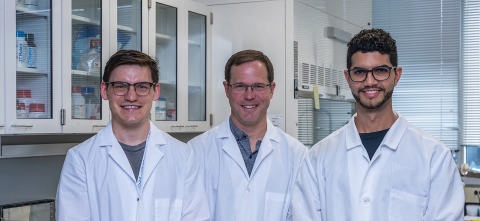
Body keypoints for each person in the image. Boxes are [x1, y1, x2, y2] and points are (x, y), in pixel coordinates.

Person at [291, 29, 464, 221]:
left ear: (396, 76)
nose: (370, 81)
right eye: (360, 72)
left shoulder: (434, 157)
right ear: (348, 78)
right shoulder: (318, 158)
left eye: (380, 71)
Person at [56, 50, 210, 221]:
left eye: (142, 87)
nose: (131, 96)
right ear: (105, 91)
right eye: (121, 86)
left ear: (155, 91)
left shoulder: (183, 155)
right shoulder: (80, 159)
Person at [188, 49, 308, 220]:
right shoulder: (196, 151)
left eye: (258, 86)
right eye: (240, 86)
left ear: (271, 90)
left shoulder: (297, 155)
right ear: (227, 89)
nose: (249, 96)